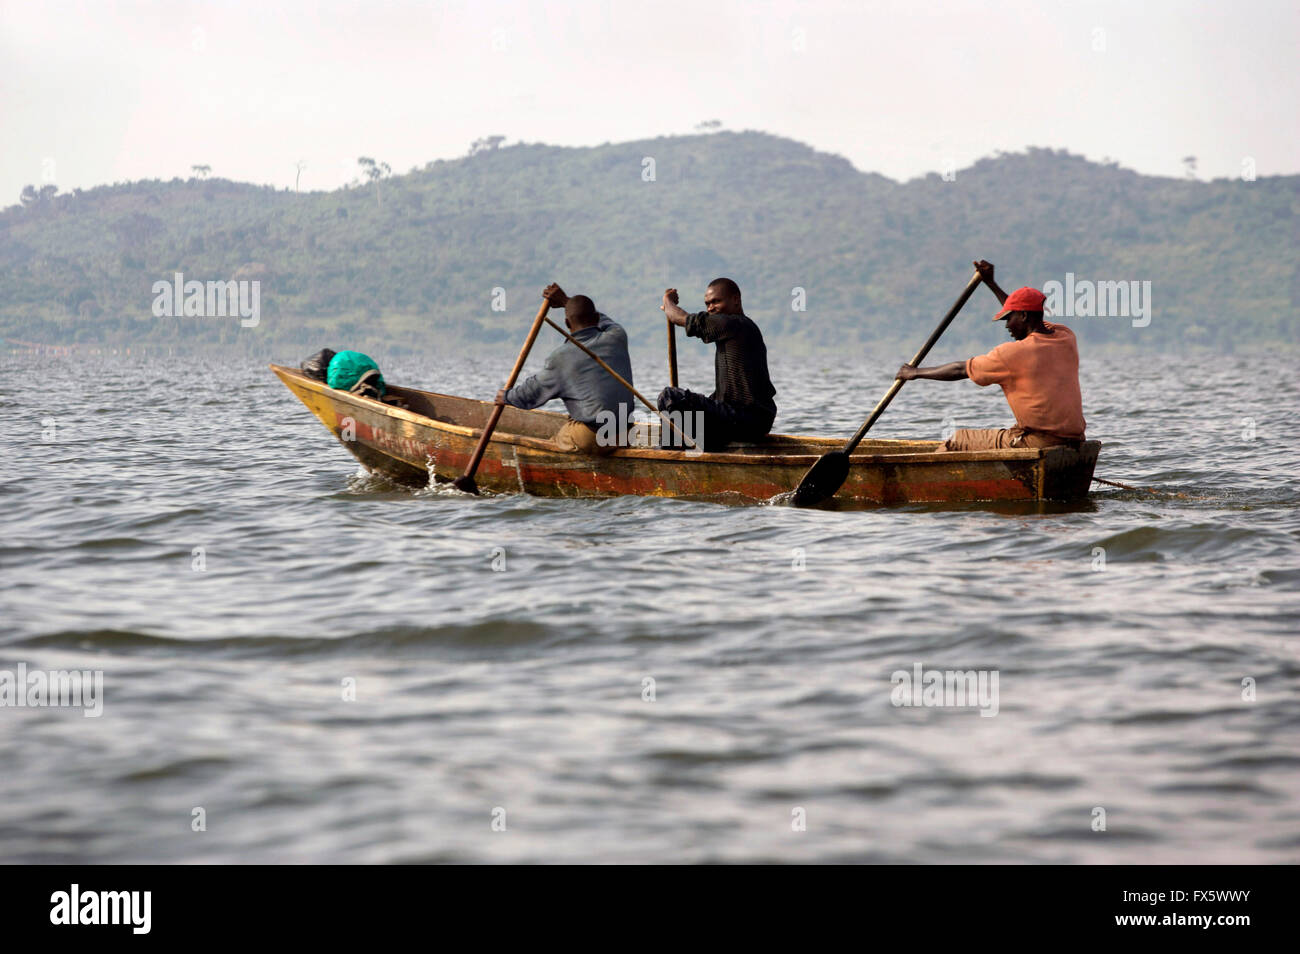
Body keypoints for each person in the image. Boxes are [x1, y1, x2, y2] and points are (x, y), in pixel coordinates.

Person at [895, 260, 1086, 451]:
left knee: (957, 440)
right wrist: (991, 283)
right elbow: (1024, 311)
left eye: (1008, 319)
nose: (1006, 326)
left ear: (1024, 316)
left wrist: (915, 372)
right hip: (1074, 439)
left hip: (1040, 442)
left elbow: (961, 369)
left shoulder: (1012, 354)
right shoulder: (1065, 337)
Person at [496, 284, 635, 455]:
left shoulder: (561, 357)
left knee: (554, 443)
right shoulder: (617, 336)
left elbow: (530, 393)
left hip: (593, 437)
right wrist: (565, 301)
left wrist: (506, 396)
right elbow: (607, 322)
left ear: (567, 323)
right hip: (626, 434)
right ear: (597, 317)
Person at [657, 278, 777, 451]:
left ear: (736, 300)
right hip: (748, 419)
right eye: (707, 304)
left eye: (716, 301)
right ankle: (685, 448)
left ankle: (669, 458)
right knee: (690, 404)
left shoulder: (734, 324)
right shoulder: (736, 329)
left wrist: (668, 301)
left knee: (670, 397)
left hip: (747, 419)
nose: (710, 308)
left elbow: (681, 318)